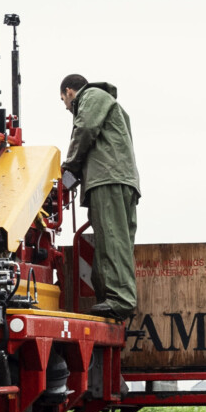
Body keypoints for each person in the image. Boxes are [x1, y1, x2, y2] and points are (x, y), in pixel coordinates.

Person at [60, 73, 141, 318]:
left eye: (63, 100)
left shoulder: (92, 95)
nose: (65, 106)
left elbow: (85, 128)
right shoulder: (108, 103)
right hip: (116, 179)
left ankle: (121, 300)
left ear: (70, 92)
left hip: (108, 179)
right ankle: (112, 298)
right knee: (115, 241)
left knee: (113, 238)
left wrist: (70, 167)